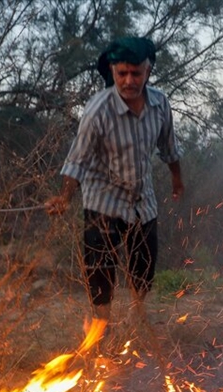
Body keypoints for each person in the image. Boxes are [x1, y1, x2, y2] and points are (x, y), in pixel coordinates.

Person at [46, 36, 184, 336]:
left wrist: (177, 179)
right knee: (100, 266)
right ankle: (102, 324)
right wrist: (65, 197)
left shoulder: (160, 104)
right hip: (102, 197)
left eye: (136, 73)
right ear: (113, 72)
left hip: (140, 198)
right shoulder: (98, 110)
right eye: (122, 74)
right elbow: (77, 160)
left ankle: (138, 314)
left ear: (148, 71)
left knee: (144, 263)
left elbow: (169, 147)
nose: (129, 81)